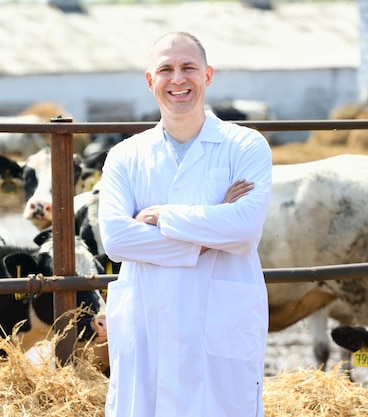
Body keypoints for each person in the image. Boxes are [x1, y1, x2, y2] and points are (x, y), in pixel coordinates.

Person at [98, 31, 272, 417]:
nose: (178, 79)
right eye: (166, 69)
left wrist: (163, 217)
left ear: (207, 75)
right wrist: (211, 235)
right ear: (150, 81)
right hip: (147, 319)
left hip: (218, 323)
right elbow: (116, 239)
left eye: (188, 68)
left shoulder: (245, 146)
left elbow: (243, 230)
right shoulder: (125, 156)